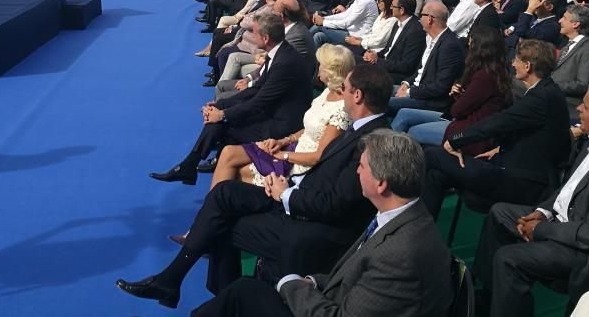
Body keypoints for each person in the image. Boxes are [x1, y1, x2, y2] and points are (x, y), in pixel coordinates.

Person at [117, 63, 394, 306]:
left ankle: (212, 293)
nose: (340, 92)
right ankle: (175, 282)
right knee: (223, 193)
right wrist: (289, 183)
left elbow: (336, 204)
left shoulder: (372, 141)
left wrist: (286, 194)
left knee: (218, 224)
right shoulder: (361, 130)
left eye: (344, 88)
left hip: (312, 225)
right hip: (298, 193)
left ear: (357, 95)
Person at [188, 130, 454, 317]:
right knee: (243, 291)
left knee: (243, 293)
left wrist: (289, 283)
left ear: (381, 183)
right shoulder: (404, 216)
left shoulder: (400, 255)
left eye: (361, 167)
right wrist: (314, 281)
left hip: (333, 306)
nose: (357, 171)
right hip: (336, 294)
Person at [472, 81, 589, 317]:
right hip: (569, 224)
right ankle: (490, 297)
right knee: (500, 213)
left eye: (586, 106)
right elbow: (567, 189)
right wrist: (543, 212)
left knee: (509, 258)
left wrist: (540, 229)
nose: (578, 108)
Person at [150, 14, 312, 186]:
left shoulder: (284, 62)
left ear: (265, 38)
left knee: (222, 123)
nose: (251, 35)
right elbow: (256, 89)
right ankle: (197, 165)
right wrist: (219, 106)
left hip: (282, 124)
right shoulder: (279, 52)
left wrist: (222, 115)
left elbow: (259, 102)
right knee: (221, 119)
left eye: (254, 32)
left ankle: (197, 166)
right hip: (273, 111)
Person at [420, 38, 571, 218]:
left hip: (522, 182)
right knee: (436, 175)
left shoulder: (542, 97)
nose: (512, 63)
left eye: (516, 60)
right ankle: (419, 231)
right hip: (510, 167)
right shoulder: (546, 92)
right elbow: (529, 132)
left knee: (433, 154)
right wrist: (499, 148)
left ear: (528, 66)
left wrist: (454, 140)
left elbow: (499, 122)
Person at [208, 43, 353, 192]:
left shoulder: (342, 109)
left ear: (330, 71)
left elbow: (318, 156)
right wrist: (284, 140)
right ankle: (212, 209)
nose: (318, 67)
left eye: (321, 64)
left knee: (234, 170)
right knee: (228, 152)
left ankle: (214, 208)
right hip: (293, 147)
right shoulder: (328, 91)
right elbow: (311, 128)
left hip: (301, 165)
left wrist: (283, 154)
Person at [391, 25, 511, 149]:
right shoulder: (490, 71)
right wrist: (459, 94)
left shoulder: (485, 76)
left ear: (480, 49)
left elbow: (457, 110)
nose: (468, 49)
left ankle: (386, 158)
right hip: (459, 119)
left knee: (414, 132)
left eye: (471, 45)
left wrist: (459, 96)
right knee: (404, 114)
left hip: (468, 130)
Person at [387, 0, 465, 115]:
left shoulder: (449, 46)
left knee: (381, 102)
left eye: (421, 15)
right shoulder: (430, 38)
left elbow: (440, 86)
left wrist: (409, 92)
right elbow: (420, 70)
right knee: (376, 89)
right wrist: (406, 84)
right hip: (415, 90)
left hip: (429, 101)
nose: (419, 19)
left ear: (429, 19)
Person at [364, 0, 427, 86]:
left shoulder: (415, 31)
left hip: (396, 74)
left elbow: (406, 66)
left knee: (362, 74)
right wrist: (373, 54)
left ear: (401, 10)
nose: (390, 8)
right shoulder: (397, 23)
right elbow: (388, 50)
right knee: (354, 60)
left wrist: (378, 60)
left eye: (393, 6)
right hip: (385, 64)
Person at [552, 4, 589, 111]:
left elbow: (584, 84)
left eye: (564, 18)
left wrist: (551, 86)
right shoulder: (568, 44)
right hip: (554, 98)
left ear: (575, 24)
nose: (560, 21)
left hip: (568, 105)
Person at [309, 0, 378, 49]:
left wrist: (323, 22)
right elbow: (345, 14)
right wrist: (324, 18)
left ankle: (300, 44)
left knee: (318, 26)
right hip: (350, 31)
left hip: (356, 37)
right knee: (318, 36)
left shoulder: (365, 1)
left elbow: (346, 23)